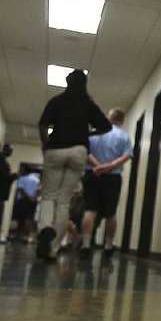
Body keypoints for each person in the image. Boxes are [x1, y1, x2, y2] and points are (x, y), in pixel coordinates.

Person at [37, 69, 111, 261]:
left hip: (55, 149)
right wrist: (86, 135)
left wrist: (46, 146)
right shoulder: (88, 104)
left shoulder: (56, 101)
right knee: (63, 201)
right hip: (78, 152)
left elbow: (43, 124)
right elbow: (106, 126)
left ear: (67, 82)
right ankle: (53, 250)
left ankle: (45, 228)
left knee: (48, 195)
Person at [78, 108, 133, 261]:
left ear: (108, 119)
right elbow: (126, 156)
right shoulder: (124, 136)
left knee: (90, 210)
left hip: (92, 174)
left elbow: (85, 152)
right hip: (113, 177)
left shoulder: (93, 133)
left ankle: (86, 245)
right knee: (111, 213)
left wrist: (97, 166)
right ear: (122, 121)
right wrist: (108, 167)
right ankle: (108, 246)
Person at [10, 170, 40, 242]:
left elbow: (20, 189)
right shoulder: (38, 181)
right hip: (32, 201)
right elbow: (39, 190)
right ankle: (26, 236)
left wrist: (28, 197)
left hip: (22, 200)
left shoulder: (23, 178)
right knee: (29, 217)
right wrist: (33, 197)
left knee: (17, 217)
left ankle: (14, 235)